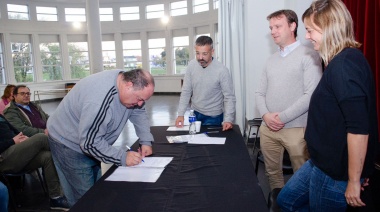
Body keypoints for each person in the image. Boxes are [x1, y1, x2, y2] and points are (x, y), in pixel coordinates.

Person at [277, 0, 379, 211]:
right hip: (320, 163)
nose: (307, 36)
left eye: (311, 30)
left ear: (331, 29)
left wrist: (354, 179)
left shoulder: (344, 65)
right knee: (285, 200)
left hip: (334, 174)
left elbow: (359, 129)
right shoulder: (340, 61)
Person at [47, 69, 155, 206]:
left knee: (97, 191)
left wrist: (145, 140)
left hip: (90, 139)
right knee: (85, 198)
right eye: (139, 99)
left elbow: (138, 112)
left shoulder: (126, 84)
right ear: (128, 85)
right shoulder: (99, 101)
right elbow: (89, 144)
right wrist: (122, 157)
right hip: (68, 144)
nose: (140, 104)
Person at [255, 9, 322, 195]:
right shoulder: (270, 60)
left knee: (302, 175)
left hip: (296, 129)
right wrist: (266, 116)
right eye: (271, 27)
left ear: (292, 26)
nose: (273, 31)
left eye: (278, 26)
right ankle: (277, 203)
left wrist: (281, 117)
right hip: (268, 128)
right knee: (272, 174)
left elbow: (311, 95)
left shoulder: (309, 55)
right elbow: (259, 92)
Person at [0, 114, 69, 211]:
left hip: (16, 150)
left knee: (47, 157)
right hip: (4, 158)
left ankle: (56, 198)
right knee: (41, 138)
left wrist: (24, 138)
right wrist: (12, 141)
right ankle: (70, 157)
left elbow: (15, 131)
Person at [175, 36, 236, 131]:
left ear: (212, 52)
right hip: (195, 113)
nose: (200, 58)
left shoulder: (222, 70)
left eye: (204, 54)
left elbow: (229, 97)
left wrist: (228, 119)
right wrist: (180, 114)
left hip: (214, 117)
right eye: (197, 53)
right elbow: (186, 91)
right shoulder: (191, 65)